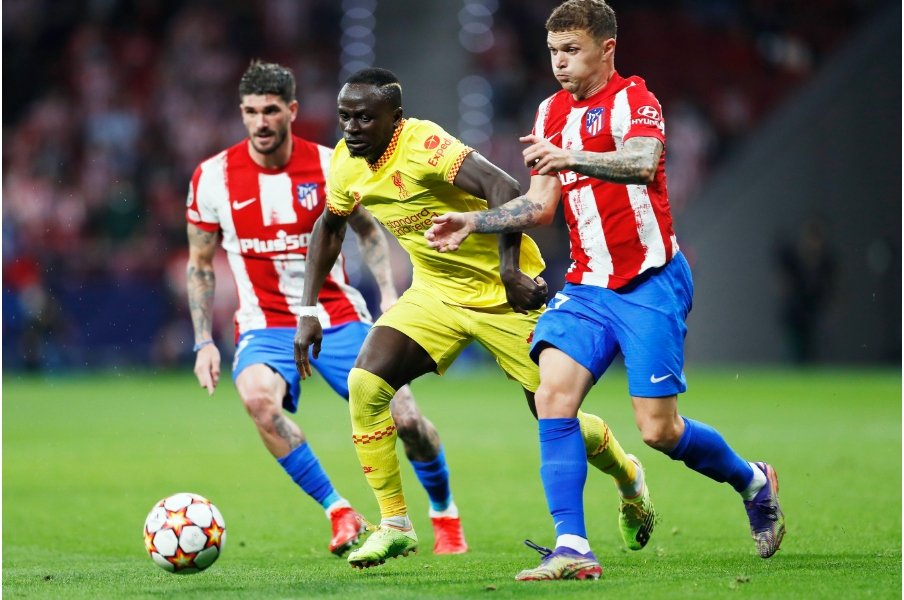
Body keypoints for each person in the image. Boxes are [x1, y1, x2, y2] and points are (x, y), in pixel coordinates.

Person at [425, 0, 786, 580]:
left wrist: (570, 155)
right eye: (553, 51)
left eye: (571, 50)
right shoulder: (550, 111)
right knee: (552, 396)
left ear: (607, 48)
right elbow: (540, 204)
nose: (559, 63)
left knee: (659, 430)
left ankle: (752, 480)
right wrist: (476, 221)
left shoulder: (637, 101)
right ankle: (572, 545)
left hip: (649, 282)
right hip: (589, 285)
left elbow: (643, 163)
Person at [294, 66, 655, 572]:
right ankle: (394, 523)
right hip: (436, 294)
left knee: (555, 416)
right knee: (366, 383)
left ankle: (628, 475)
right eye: (345, 117)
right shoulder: (345, 163)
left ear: (395, 118)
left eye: (364, 118)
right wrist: (308, 309)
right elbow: (329, 228)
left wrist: (509, 271)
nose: (351, 128)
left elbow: (503, 186)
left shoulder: (424, 144)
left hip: (503, 296)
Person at [186, 60, 467, 558]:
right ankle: (339, 511)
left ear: (291, 110)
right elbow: (200, 264)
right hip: (265, 324)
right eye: (251, 112)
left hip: (338, 315)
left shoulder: (330, 163)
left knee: (406, 420)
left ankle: (444, 513)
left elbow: (369, 231)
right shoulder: (212, 178)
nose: (260, 122)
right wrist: (204, 340)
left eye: (271, 110)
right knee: (258, 402)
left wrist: (388, 294)